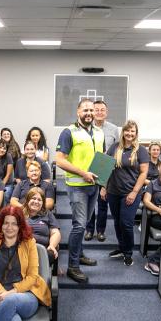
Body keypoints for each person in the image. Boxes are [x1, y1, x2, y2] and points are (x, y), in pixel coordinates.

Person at [55, 98, 103, 284]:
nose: (89, 113)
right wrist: (83, 173)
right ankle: (73, 267)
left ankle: (79, 253)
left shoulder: (98, 132)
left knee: (85, 221)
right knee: (79, 225)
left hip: (94, 185)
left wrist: (104, 181)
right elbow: (59, 160)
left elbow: (100, 158)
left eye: (92, 110)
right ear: (78, 112)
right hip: (77, 187)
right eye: (85, 110)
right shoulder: (69, 132)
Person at [103, 120, 149, 266]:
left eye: (132, 131)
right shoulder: (114, 147)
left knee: (127, 223)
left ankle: (128, 253)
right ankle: (122, 248)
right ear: (123, 132)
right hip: (113, 192)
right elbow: (107, 167)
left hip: (130, 193)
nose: (129, 133)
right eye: (127, 131)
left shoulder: (141, 151)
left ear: (136, 133)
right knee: (117, 222)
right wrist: (103, 187)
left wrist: (134, 192)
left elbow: (143, 173)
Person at [87, 100, 118, 243]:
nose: (99, 112)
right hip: (89, 169)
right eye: (96, 110)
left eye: (102, 110)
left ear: (106, 112)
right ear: (92, 112)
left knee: (103, 202)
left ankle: (100, 231)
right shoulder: (86, 128)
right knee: (89, 202)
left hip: (106, 169)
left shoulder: (113, 129)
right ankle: (89, 230)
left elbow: (118, 149)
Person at [23, 187, 61, 269]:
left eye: (39, 200)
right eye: (33, 198)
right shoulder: (19, 213)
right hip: (23, 248)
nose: (36, 202)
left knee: (50, 254)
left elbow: (55, 233)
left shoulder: (47, 214)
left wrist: (52, 245)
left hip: (42, 250)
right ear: (27, 200)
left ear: (43, 203)